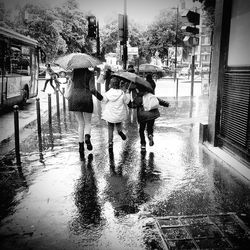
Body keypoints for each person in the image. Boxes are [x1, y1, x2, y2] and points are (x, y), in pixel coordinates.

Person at [67, 68, 103, 160]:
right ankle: (87, 136)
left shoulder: (73, 73)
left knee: (80, 123)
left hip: (74, 99)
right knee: (88, 122)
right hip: (86, 99)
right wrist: (101, 98)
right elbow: (92, 89)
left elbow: (70, 85)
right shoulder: (90, 74)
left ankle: (81, 147)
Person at [128, 86, 169, 151]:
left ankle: (143, 144)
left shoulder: (139, 97)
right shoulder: (151, 95)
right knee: (150, 127)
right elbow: (159, 101)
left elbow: (132, 105)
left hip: (142, 116)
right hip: (152, 115)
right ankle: (150, 135)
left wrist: (129, 98)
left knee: (141, 130)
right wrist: (166, 104)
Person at [101, 77, 131, 150]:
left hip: (110, 115)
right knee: (118, 123)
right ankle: (120, 132)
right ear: (118, 85)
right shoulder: (122, 93)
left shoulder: (108, 93)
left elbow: (104, 100)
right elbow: (127, 101)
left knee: (110, 128)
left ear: (110, 85)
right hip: (119, 114)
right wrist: (127, 93)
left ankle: (110, 143)